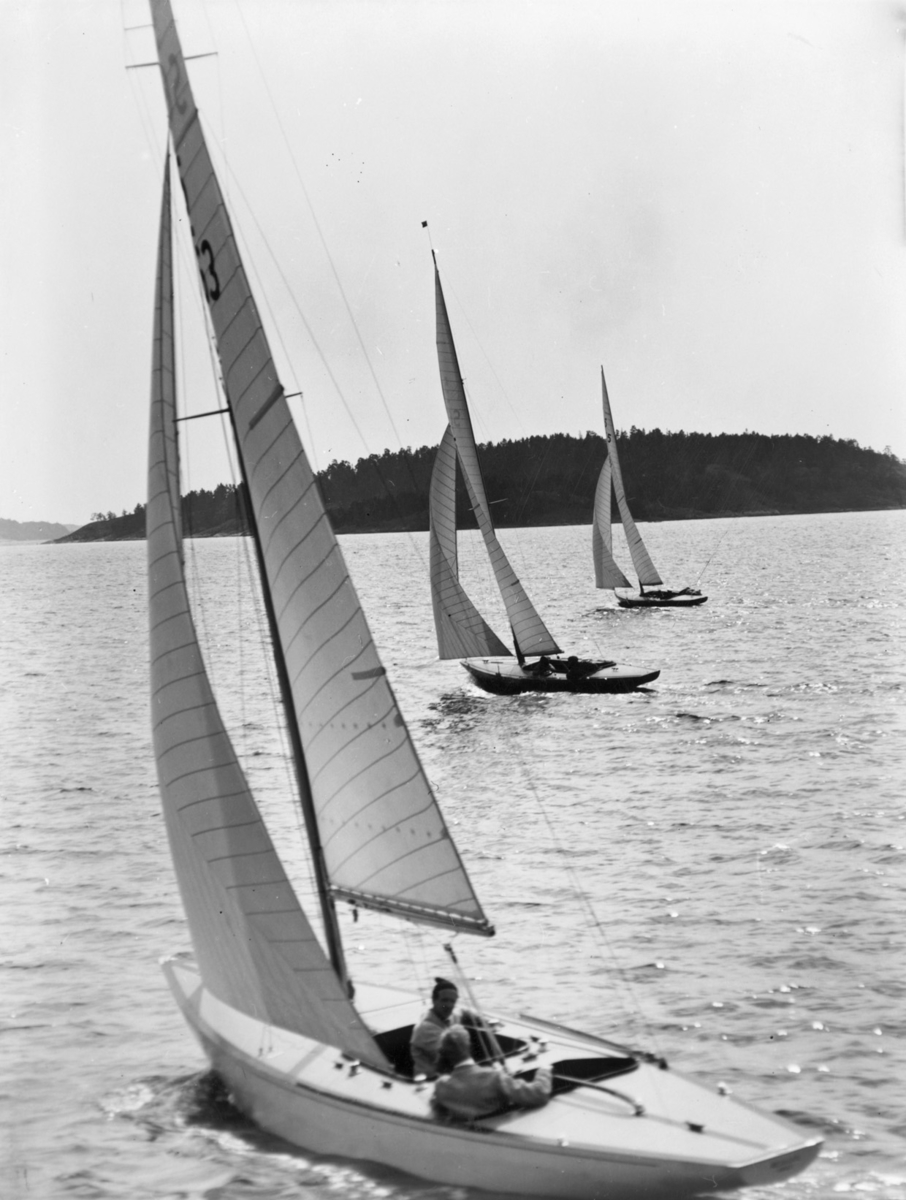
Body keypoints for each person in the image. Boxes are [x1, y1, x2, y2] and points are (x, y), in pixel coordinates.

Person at [433, 1026, 552, 1121]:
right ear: (469, 1047)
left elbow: (437, 1105)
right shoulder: (494, 1077)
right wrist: (544, 1072)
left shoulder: (441, 1086)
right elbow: (539, 1094)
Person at [410, 977, 470, 1079]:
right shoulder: (424, 1029)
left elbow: (463, 1012)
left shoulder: (452, 1016)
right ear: (433, 1000)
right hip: (430, 1081)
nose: (449, 1005)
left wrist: (482, 1021)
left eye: (452, 1001)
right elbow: (453, 1058)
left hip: (450, 1076)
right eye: (444, 1000)